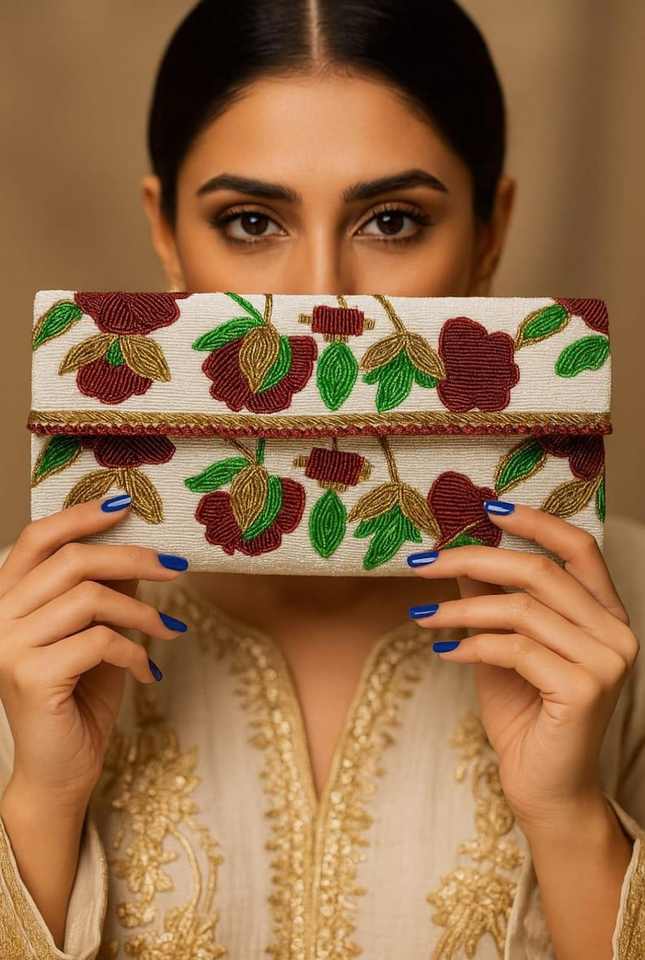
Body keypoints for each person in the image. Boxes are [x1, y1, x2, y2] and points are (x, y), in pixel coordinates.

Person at [1, 1, 643, 958]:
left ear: (489, 232)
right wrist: (43, 798)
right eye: (250, 221)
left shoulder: (623, 616)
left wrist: (567, 814)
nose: (320, 302)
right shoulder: (32, 631)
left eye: (392, 220)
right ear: (166, 235)